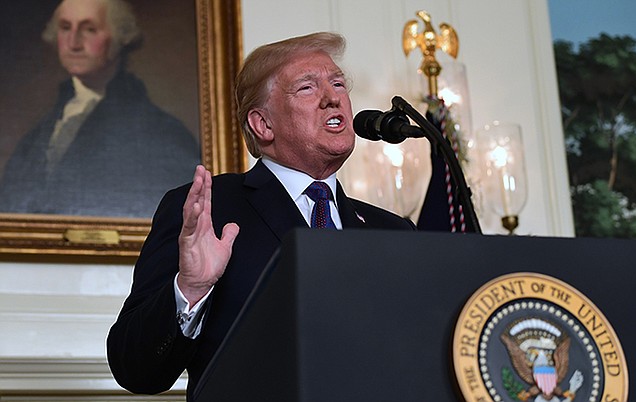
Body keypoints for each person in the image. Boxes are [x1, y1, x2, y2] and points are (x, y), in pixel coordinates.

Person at [106, 32, 416, 399]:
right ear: (262, 125)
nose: (333, 97)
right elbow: (136, 369)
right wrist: (189, 290)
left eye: (337, 83)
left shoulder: (394, 231)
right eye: (307, 88)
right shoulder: (210, 209)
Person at [0, 0, 199, 217]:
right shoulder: (41, 132)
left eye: (89, 29)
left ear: (119, 37)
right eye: (65, 28)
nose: (73, 42)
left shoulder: (161, 132)